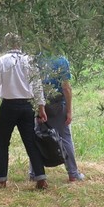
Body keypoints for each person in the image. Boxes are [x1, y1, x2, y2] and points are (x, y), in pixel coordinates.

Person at [0, 33, 49, 189]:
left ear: (6, 44)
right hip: (27, 106)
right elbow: (37, 85)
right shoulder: (29, 61)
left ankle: (1, 179)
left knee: (2, 144)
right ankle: (41, 179)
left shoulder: (1, 62)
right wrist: (41, 107)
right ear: (20, 44)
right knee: (31, 142)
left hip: (8, 106)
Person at [37, 54, 85, 183]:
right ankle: (73, 174)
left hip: (39, 103)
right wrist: (69, 110)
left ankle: (35, 173)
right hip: (57, 104)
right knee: (65, 137)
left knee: (37, 137)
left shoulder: (35, 59)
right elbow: (66, 87)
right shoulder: (61, 60)